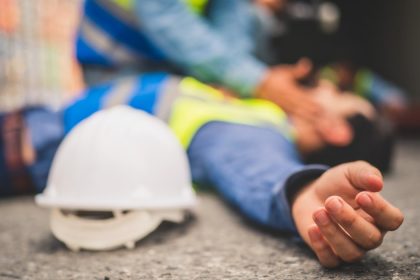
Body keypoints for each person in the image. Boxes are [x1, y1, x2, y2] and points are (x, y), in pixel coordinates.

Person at [0, 73, 403, 267]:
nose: (325, 87)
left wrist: (300, 191)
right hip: (44, 119)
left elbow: (253, 166)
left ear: (334, 128)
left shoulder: (256, 132)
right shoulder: (255, 109)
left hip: (36, 143)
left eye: (338, 96)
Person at [76, 0, 331, 129]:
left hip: (172, 64)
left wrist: (236, 79)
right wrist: (256, 80)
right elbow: (167, 18)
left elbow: (230, 11)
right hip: (114, 71)